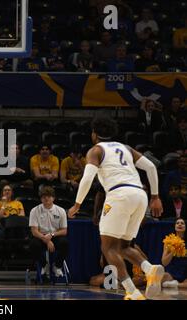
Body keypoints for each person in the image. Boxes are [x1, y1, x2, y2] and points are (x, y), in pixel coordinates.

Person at [68, 117, 164, 300]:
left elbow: (87, 178)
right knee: (123, 245)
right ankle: (149, 268)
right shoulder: (126, 148)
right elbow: (151, 167)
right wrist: (155, 197)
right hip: (140, 195)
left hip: (118, 195)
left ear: (94, 134)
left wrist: (77, 204)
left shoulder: (95, 150)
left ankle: (132, 292)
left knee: (108, 248)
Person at [29, 186, 68, 278]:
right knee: (33, 244)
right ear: (41, 198)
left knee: (65, 243)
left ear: (53, 198)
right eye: (44, 196)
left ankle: (57, 266)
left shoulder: (61, 210)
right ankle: (44, 265)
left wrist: (51, 235)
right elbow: (34, 231)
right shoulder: (34, 211)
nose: (46, 198)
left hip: (55, 236)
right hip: (40, 236)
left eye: (49, 196)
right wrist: (46, 240)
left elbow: (64, 231)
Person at [161, 218, 187, 288]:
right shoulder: (168, 242)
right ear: (175, 227)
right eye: (177, 223)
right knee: (161, 277)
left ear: (185, 227)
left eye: (182, 223)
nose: (180, 224)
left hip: (185, 272)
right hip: (172, 272)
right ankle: (179, 285)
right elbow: (164, 262)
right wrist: (173, 251)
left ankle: (175, 285)